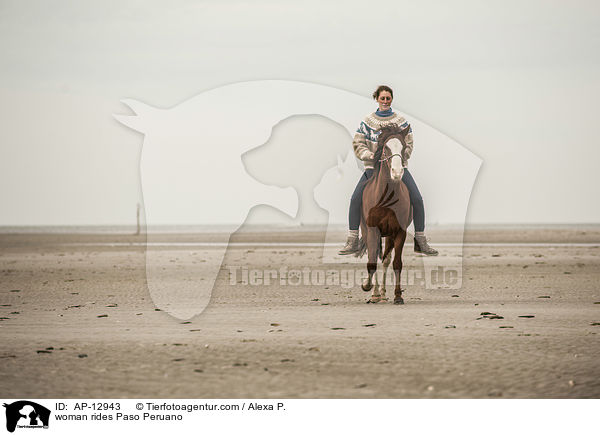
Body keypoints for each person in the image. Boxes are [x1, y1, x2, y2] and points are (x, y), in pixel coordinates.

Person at [338, 85, 438, 256]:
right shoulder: (367, 121)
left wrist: (399, 157)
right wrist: (369, 155)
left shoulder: (401, 122)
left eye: (388, 98)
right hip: (373, 168)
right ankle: (353, 239)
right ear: (376, 99)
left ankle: (420, 240)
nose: (385, 101)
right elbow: (357, 143)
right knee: (355, 199)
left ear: (391, 99)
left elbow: (409, 143)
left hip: (399, 167)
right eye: (382, 98)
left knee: (417, 198)